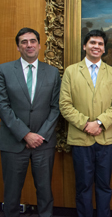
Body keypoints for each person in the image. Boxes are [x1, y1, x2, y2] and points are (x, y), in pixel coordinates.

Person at [59, 29, 112, 217]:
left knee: (104, 187)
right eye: (93, 43)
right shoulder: (71, 71)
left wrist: (100, 123)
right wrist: (87, 124)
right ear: (84, 46)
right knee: (83, 186)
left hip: (106, 140)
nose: (96, 46)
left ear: (104, 49)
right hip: (81, 138)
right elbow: (64, 104)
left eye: (100, 44)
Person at [0, 27, 61, 217]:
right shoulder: (4, 70)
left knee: (44, 191)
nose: (29, 45)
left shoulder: (52, 73)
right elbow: (3, 106)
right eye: (24, 42)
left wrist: (39, 135)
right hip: (13, 142)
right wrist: (25, 134)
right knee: (11, 194)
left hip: (43, 143)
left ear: (39, 45)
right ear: (18, 47)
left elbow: (55, 107)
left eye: (32, 41)